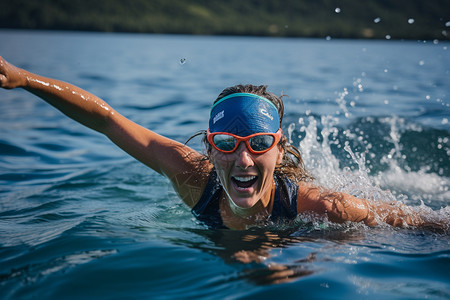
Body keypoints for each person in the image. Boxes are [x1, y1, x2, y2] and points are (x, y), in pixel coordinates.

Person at [0, 56, 436, 230]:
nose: (243, 158)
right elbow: (109, 120)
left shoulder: (322, 207)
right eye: (227, 143)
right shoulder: (193, 176)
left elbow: (415, 223)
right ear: (210, 148)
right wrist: (25, 80)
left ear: (279, 150)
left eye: (258, 143)